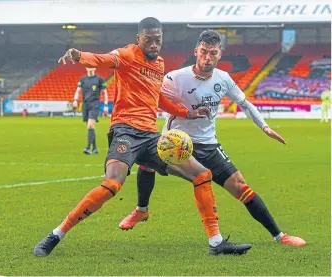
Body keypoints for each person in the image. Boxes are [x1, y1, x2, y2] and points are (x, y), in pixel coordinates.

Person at [34, 18, 252, 257]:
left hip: (151, 138)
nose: (154, 44)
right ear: (139, 39)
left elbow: (157, 99)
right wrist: (80, 56)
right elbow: (104, 59)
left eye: (158, 40)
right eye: (148, 40)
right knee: (112, 185)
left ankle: (216, 243)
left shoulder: (159, 65)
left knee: (202, 175)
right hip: (125, 131)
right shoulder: (127, 54)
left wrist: (186, 113)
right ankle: (56, 234)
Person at [119, 30, 306, 247]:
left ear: (220, 54)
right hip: (177, 144)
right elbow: (152, 99)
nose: (208, 58)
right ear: (196, 52)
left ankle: (280, 236)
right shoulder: (175, 78)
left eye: (213, 53)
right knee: (147, 162)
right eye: (204, 52)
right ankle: (141, 210)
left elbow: (245, 104)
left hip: (208, 145)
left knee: (240, 185)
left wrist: (265, 127)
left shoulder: (223, 79)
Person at [73, 67, 108, 154]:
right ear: (86, 68)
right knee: (90, 128)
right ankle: (95, 148)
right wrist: (75, 100)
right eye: (89, 67)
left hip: (94, 104)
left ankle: (88, 148)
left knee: (90, 126)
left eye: (92, 66)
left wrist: (106, 105)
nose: (90, 68)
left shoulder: (100, 79)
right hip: (85, 105)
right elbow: (78, 91)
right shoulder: (83, 79)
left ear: (95, 68)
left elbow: (104, 93)